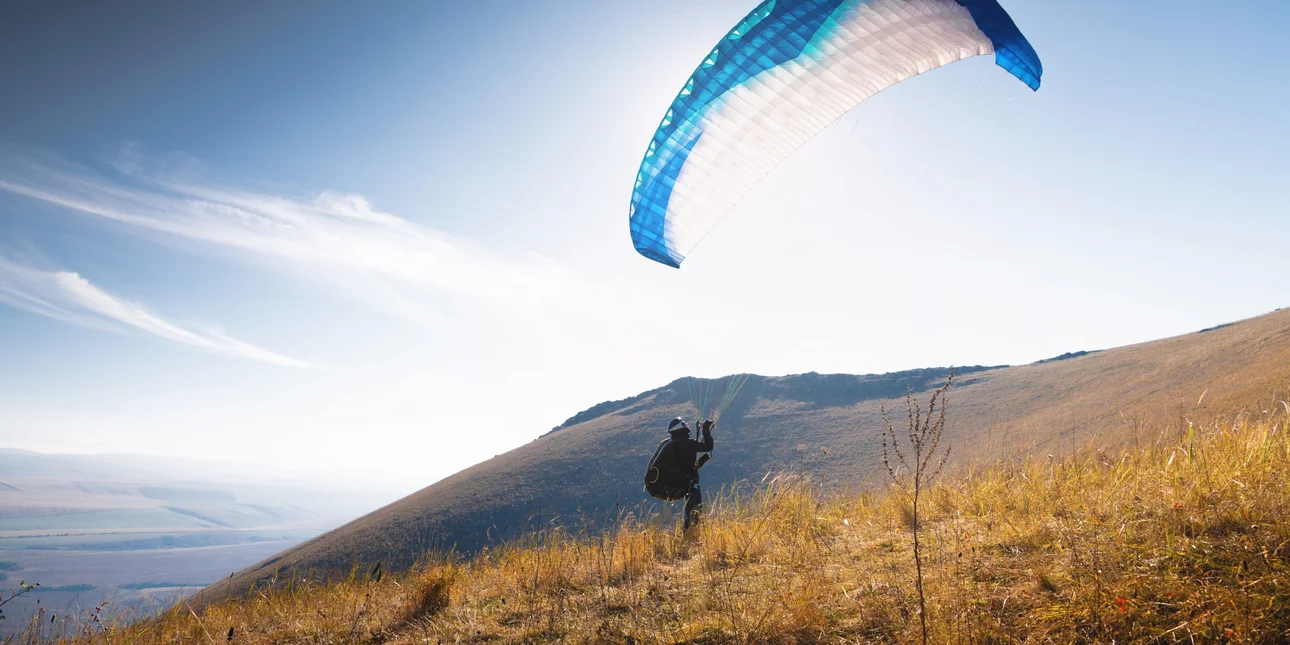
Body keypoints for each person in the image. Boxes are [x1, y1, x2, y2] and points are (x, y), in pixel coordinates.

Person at [666, 416, 714, 530]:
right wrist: (706, 430)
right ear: (680, 428)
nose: (687, 425)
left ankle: (690, 534)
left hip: (684, 482)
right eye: (684, 424)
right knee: (694, 509)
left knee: (691, 509)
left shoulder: (676, 444)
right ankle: (689, 535)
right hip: (690, 483)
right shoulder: (686, 443)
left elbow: (691, 466)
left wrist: (703, 459)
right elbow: (708, 446)